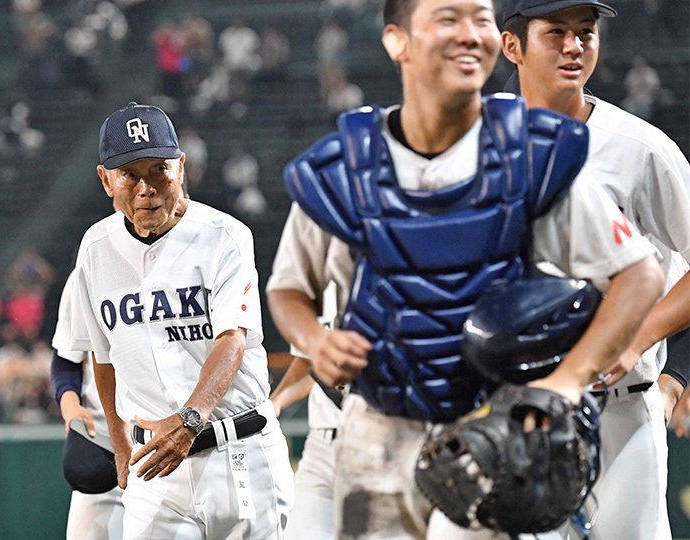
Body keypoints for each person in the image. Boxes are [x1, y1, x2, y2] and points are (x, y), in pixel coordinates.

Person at [277, 0, 665, 538]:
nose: (469, 35)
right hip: (377, 429)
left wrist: (566, 382)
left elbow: (640, 274)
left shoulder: (530, 156)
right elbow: (288, 290)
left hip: (492, 429)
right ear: (397, 41)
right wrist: (314, 342)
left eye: (480, 19)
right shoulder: (347, 165)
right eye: (447, 19)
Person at [500, 1, 690, 538]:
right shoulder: (479, 139)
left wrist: (637, 337)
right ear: (512, 46)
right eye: (555, 32)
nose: (574, 46)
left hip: (618, 414)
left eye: (585, 33)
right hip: (510, 410)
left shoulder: (641, 148)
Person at [67, 102, 294, 538]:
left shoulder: (225, 236)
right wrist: (118, 444)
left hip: (238, 452)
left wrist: (191, 419)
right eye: (129, 174)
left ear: (181, 167)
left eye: (159, 170)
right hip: (154, 470)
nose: (147, 187)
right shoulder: (95, 249)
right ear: (105, 180)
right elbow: (103, 355)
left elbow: (232, 339)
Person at [51, 271, 124, 540]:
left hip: (169, 446)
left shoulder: (192, 260)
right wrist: (70, 405)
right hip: (104, 441)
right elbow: (66, 358)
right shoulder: (90, 266)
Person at [268, 284, 343, 540]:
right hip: (322, 445)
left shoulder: (403, 275)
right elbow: (309, 361)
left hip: (379, 438)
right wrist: (275, 403)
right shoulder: (323, 283)